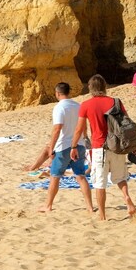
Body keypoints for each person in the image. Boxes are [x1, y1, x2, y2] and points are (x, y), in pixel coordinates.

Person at [69, 74, 136, 221]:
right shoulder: (116, 101)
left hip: (99, 147)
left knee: (99, 183)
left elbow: (79, 129)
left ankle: (102, 215)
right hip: (117, 146)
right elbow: (127, 125)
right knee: (120, 177)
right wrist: (134, 145)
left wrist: (74, 146)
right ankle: (126, 198)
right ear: (104, 87)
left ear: (90, 88)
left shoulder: (86, 105)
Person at [38, 82, 93, 214]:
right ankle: (90, 207)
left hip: (64, 146)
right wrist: (85, 138)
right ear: (69, 92)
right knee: (80, 176)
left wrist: (51, 147)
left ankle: (48, 205)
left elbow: (57, 128)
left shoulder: (59, 107)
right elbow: (83, 125)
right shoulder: (78, 106)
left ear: (57, 93)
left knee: (55, 176)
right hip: (78, 145)